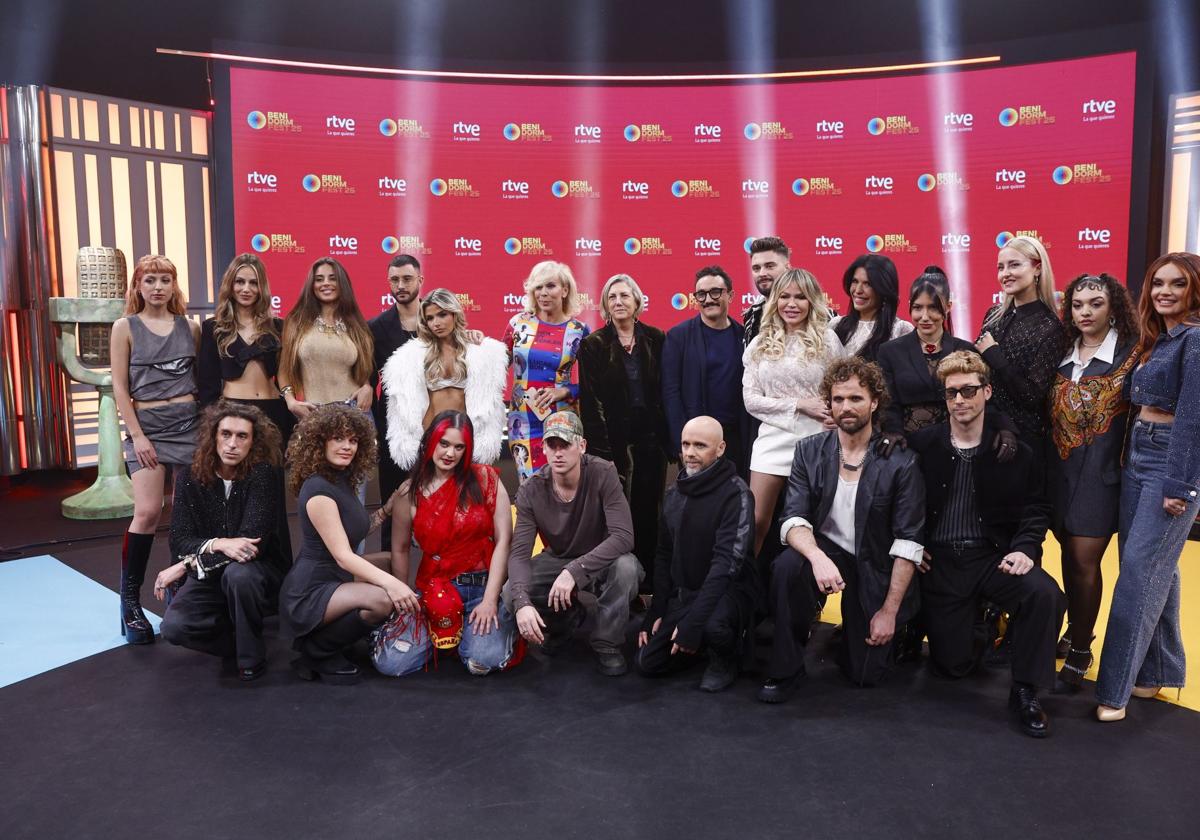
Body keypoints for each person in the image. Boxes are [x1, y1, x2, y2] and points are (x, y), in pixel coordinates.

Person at [908, 351, 1064, 738]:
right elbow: (900, 501)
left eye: (969, 391)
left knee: (1044, 594)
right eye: (951, 393)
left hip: (991, 556)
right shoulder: (923, 445)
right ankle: (979, 624)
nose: (960, 400)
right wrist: (913, 544)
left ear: (987, 392)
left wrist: (1025, 548)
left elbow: (1036, 506)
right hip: (940, 561)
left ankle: (1026, 689)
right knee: (952, 667)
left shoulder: (1013, 449)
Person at [759, 357, 925, 702]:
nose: (845, 407)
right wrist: (817, 557)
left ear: (875, 402)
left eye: (855, 398)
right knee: (788, 567)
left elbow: (909, 542)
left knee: (865, 674)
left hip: (873, 561)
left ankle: (865, 629)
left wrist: (889, 612)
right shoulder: (809, 451)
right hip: (826, 551)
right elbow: (792, 519)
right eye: (838, 399)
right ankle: (785, 669)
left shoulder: (901, 462)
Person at [1096, 252, 1200, 721]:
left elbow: (1194, 422)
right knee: (1156, 565)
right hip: (1138, 452)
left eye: (1177, 284)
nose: (1164, 292)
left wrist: (1180, 484)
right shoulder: (1157, 339)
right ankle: (1156, 670)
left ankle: (1113, 691)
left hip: (1170, 459)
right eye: (1158, 283)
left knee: (1138, 574)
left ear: (1194, 289)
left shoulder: (1195, 341)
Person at [372, 411, 520, 676]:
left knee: (482, 660)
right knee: (391, 663)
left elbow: (503, 541)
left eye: (459, 446)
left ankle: (482, 628)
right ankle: (448, 633)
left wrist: (489, 600)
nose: (450, 453)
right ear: (431, 442)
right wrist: (402, 600)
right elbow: (400, 548)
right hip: (435, 587)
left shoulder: (486, 479)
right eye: (444, 443)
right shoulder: (409, 491)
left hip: (483, 586)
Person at [279, 405, 418, 684]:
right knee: (381, 600)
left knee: (390, 562)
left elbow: (358, 529)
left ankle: (339, 638)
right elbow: (344, 556)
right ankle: (316, 650)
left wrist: (388, 507)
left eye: (353, 440)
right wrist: (394, 586)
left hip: (335, 576)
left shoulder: (340, 479)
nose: (347, 447)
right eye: (338, 439)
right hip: (311, 589)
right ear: (321, 442)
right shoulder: (318, 489)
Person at [1048, 274, 1139, 690]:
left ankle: (1083, 645)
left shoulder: (1133, 353)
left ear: (1113, 306)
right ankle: (1074, 628)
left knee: (1084, 563)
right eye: (1078, 304)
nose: (1085, 312)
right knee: (1069, 557)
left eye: (1095, 304)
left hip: (1103, 475)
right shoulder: (1063, 350)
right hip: (1059, 473)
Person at [155, 402, 288, 680]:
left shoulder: (262, 474)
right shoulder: (191, 477)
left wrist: (186, 566)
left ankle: (251, 658)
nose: (232, 444)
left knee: (239, 576)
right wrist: (219, 543)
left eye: (242, 436)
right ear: (213, 436)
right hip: (210, 571)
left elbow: (252, 545)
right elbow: (180, 540)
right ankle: (238, 641)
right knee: (173, 628)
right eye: (226, 434)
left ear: (253, 442)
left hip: (258, 568)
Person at [110, 254, 200, 645]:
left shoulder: (191, 327)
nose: (158, 287)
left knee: (185, 514)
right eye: (151, 280)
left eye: (165, 280)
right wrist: (138, 435)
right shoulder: (124, 327)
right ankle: (129, 603)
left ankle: (178, 594)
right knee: (148, 511)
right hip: (146, 429)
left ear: (174, 285)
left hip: (190, 426)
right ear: (138, 286)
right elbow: (118, 387)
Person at [507, 411, 639, 675]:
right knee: (510, 592)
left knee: (627, 568)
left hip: (601, 558)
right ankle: (564, 621)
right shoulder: (531, 490)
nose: (558, 452)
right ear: (542, 448)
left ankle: (607, 642)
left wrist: (574, 571)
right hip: (556, 558)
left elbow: (624, 536)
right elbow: (519, 555)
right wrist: (521, 602)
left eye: (565, 444)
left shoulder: (603, 473)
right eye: (551, 445)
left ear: (581, 446)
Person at [636, 416, 756, 692]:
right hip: (687, 593)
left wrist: (694, 622)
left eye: (700, 445)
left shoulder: (737, 494)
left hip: (728, 592)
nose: (689, 453)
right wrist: (657, 610)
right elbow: (664, 555)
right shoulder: (674, 493)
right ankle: (698, 644)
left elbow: (726, 566)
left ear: (721, 448)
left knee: (714, 625)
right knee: (647, 663)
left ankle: (725, 657)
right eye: (685, 444)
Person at [577, 273, 671, 595]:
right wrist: (604, 456)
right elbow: (591, 405)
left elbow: (665, 392)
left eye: (624, 296)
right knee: (617, 517)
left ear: (637, 302)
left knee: (650, 512)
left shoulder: (658, 338)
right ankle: (619, 588)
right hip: (612, 444)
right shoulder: (593, 345)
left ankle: (650, 588)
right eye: (612, 297)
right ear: (605, 305)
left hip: (651, 442)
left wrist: (667, 440)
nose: (618, 302)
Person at [742, 268, 844, 555]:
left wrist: (833, 415)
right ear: (775, 300)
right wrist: (800, 404)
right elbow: (751, 400)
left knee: (816, 523)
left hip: (818, 440)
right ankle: (744, 594)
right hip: (773, 439)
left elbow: (843, 389)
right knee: (756, 522)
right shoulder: (759, 344)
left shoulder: (828, 340)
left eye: (800, 297)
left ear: (812, 301)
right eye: (785, 296)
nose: (791, 303)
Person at [876, 268, 1018, 457]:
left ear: (948, 306)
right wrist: (892, 432)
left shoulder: (966, 350)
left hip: (956, 449)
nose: (925, 316)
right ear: (910, 306)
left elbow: (984, 398)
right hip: (907, 448)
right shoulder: (890, 351)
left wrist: (1005, 428)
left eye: (933, 307)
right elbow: (888, 403)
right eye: (918, 307)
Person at [381, 288, 507, 469]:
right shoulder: (413, 355)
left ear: (455, 314)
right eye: (430, 318)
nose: (436, 323)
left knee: (467, 495)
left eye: (442, 315)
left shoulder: (477, 351)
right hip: (429, 436)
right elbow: (404, 404)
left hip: (465, 436)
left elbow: (489, 399)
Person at [503, 261, 590, 482]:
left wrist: (564, 391)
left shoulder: (579, 331)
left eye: (550, 286)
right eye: (538, 287)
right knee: (530, 487)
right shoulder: (518, 324)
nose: (543, 293)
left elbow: (595, 383)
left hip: (562, 420)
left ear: (565, 290)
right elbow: (495, 365)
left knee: (563, 487)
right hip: (522, 422)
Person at [976, 235, 1064, 446]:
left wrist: (995, 357)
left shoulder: (1051, 328)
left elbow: (1032, 396)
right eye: (1000, 267)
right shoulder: (993, 315)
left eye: (1014, 265)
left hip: (1024, 438)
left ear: (1037, 268)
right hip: (984, 427)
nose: (1005, 274)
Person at [196, 253, 292, 445]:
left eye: (253, 283)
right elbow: (207, 384)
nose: (246, 289)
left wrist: (290, 399)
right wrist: (214, 421)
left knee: (273, 473)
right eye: (240, 282)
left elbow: (285, 374)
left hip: (273, 411)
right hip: (233, 411)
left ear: (261, 287)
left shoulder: (278, 327)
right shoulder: (213, 328)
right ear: (230, 285)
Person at [662, 265, 749, 475]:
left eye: (715, 292)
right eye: (701, 294)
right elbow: (670, 393)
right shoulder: (678, 336)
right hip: (697, 440)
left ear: (731, 295)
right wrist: (682, 444)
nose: (708, 299)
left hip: (736, 439)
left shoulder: (744, 336)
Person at [368, 254, 423, 551]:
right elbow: (366, 377)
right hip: (392, 430)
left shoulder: (438, 319)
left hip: (433, 426)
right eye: (394, 280)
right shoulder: (375, 327)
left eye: (407, 279)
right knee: (392, 505)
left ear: (420, 281)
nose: (400, 285)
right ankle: (391, 588)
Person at [277, 256, 375, 421]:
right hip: (314, 413)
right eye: (319, 279)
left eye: (332, 278)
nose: (326, 283)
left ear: (342, 284)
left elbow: (362, 372)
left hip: (354, 412)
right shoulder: (297, 322)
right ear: (312, 285)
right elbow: (284, 369)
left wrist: (367, 387)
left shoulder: (356, 325)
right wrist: (291, 401)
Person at [830, 254, 913, 361]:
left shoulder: (901, 330)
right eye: (855, 281)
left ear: (883, 288)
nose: (858, 290)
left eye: (867, 284)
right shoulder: (835, 325)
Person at [742, 236, 791, 345]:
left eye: (769, 266)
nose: (762, 273)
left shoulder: (814, 311)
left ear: (787, 268)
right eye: (756, 268)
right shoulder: (751, 315)